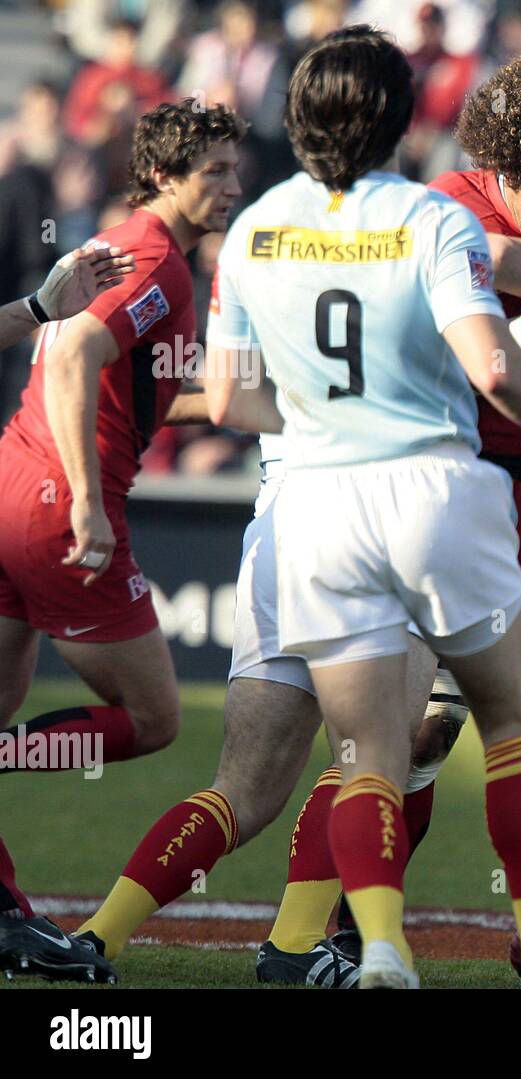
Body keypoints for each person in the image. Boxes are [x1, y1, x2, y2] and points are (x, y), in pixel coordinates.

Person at [107, 26, 521, 991]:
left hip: (315, 502)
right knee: (510, 723)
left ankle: (383, 950)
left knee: (366, 752)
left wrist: (320, 414)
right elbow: (493, 368)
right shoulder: (432, 220)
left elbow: (228, 403)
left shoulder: (254, 233)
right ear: (401, 120)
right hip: (432, 488)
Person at [0, 100, 243, 981]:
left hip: (10, 478)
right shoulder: (158, 259)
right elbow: (71, 359)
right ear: (164, 175)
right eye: (212, 170)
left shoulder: (129, 243)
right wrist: (90, 507)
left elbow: (115, 377)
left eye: (232, 169)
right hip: (59, 497)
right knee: (153, 720)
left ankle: (4, 913)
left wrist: (237, 400)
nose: (230, 185)